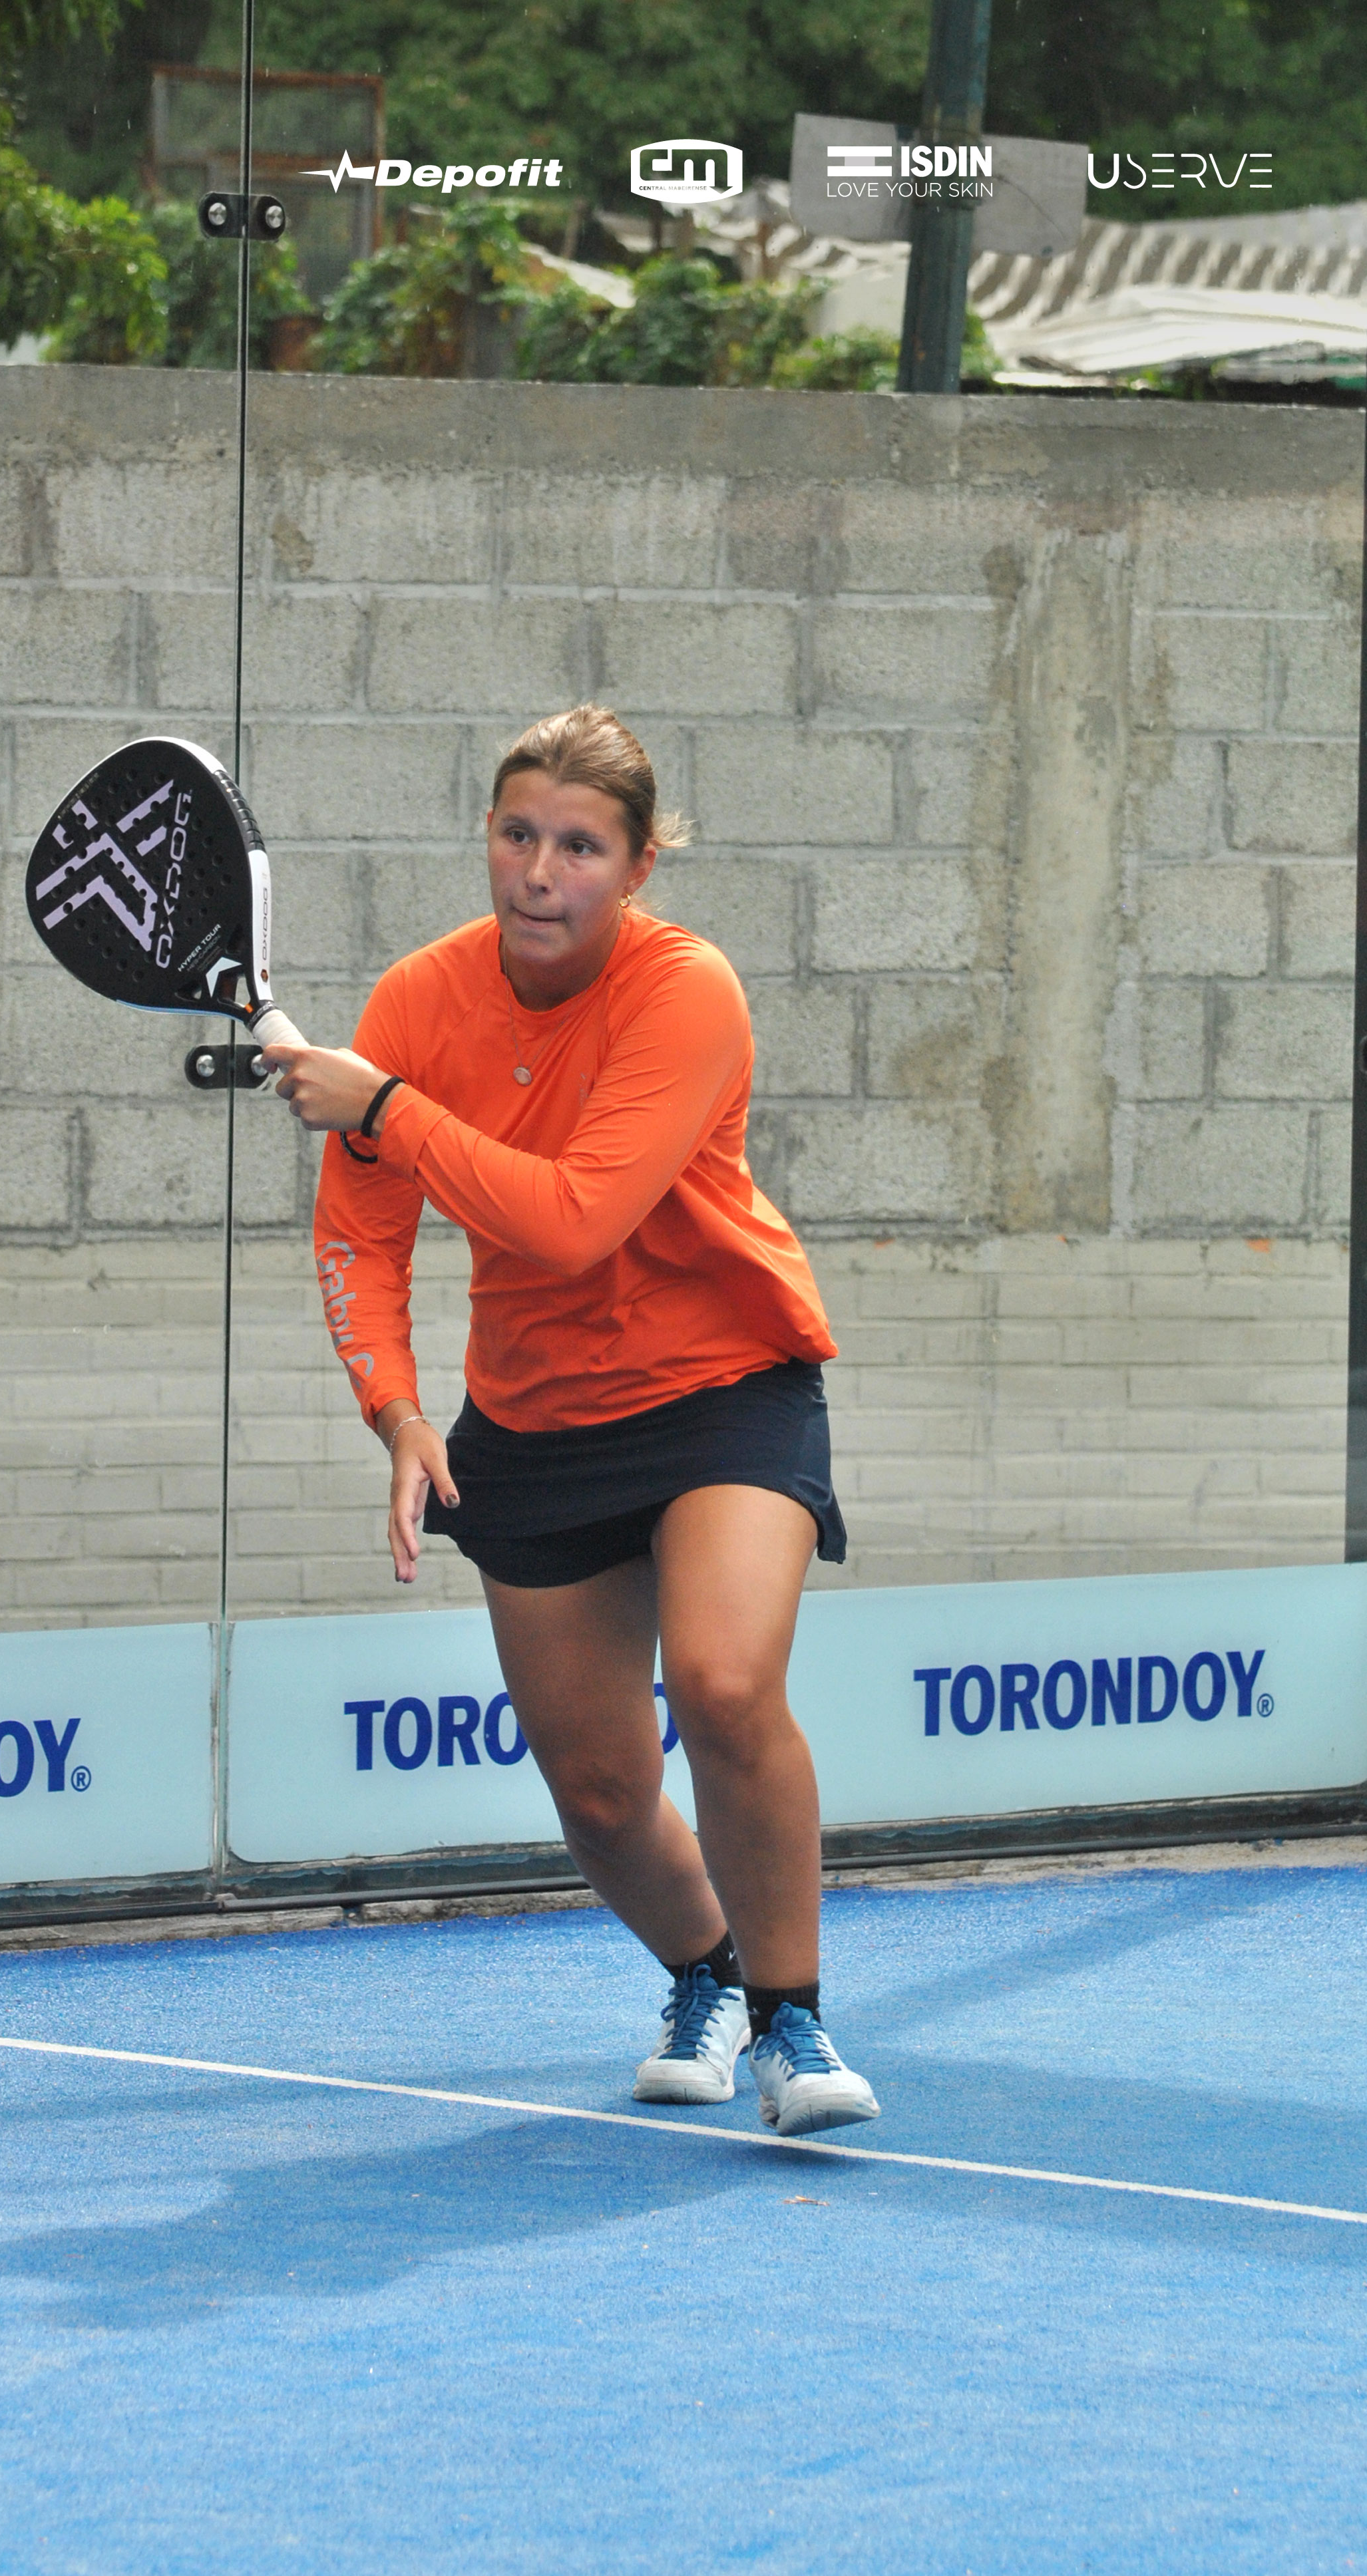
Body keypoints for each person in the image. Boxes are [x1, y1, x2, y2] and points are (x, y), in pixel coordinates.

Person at [264, 705, 878, 2138]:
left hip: (725, 1386)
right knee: (602, 1794)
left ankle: (793, 2020)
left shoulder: (687, 991)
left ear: (639, 865)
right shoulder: (422, 999)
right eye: (518, 834)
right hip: (532, 1426)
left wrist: (390, 1107)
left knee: (723, 1684)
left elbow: (580, 1217)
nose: (541, 871)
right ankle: (706, 1973)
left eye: (581, 847)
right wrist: (398, 1411)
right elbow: (358, 1232)